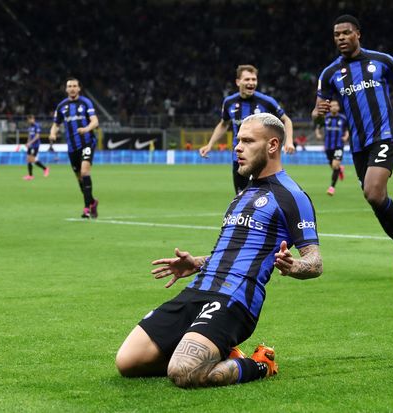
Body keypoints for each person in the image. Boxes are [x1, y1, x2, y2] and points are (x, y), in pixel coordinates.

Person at [115, 113, 323, 388]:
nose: (237, 147)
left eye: (247, 141)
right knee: (128, 362)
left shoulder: (292, 196)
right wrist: (197, 263)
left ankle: (261, 364)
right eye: (238, 140)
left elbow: (315, 261)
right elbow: (232, 253)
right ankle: (215, 351)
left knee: (183, 372)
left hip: (235, 298)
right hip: (198, 289)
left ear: (273, 145)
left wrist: (293, 265)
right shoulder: (242, 195)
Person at [312, 14, 393, 280]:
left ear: (357, 34)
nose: (341, 38)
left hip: (384, 136)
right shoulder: (329, 74)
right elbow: (316, 114)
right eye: (336, 34)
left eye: (346, 33)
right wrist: (318, 113)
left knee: (373, 192)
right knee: (375, 198)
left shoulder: (381, 60)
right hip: (359, 145)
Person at [199, 65, 295, 194]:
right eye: (247, 79)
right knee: (242, 196)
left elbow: (286, 120)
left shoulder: (266, 101)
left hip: (262, 158)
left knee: (265, 196)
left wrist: (289, 141)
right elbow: (223, 124)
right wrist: (210, 144)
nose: (251, 82)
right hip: (239, 158)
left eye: (254, 79)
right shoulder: (229, 102)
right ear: (238, 82)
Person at [49, 78, 100, 218]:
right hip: (72, 147)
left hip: (87, 142)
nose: (72, 88)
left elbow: (95, 121)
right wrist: (52, 133)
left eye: (74, 86)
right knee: (79, 178)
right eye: (69, 86)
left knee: (85, 172)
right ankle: (92, 202)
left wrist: (86, 129)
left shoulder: (86, 102)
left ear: (79, 88)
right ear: (66, 89)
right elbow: (56, 124)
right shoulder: (61, 106)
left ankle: (86, 208)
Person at [314, 100, 349, 195]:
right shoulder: (325, 118)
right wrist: (318, 134)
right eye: (332, 106)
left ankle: (332, 187)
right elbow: (318, 127)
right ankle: (340, 169)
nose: (334, 107)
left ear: (338, 107)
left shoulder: (343, 118)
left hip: (339, 145)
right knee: (333, 166)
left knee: (335, 165)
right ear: (329, 108)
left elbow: (347, 130)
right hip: (328, 146)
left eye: (335, 105)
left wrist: (346, 136)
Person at [22, 114, 49, 180]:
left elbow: (37, 136)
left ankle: (44, 169)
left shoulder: (36, 126)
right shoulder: (30, 127)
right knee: (29, 159)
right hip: (30, 145)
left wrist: (30, 143)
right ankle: (30, 175)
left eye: (30, 119)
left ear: (33, 119)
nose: (29, 121)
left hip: (35, 145)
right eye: (28, 120)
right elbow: (29, 136)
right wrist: (27, 143)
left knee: (31, 159)